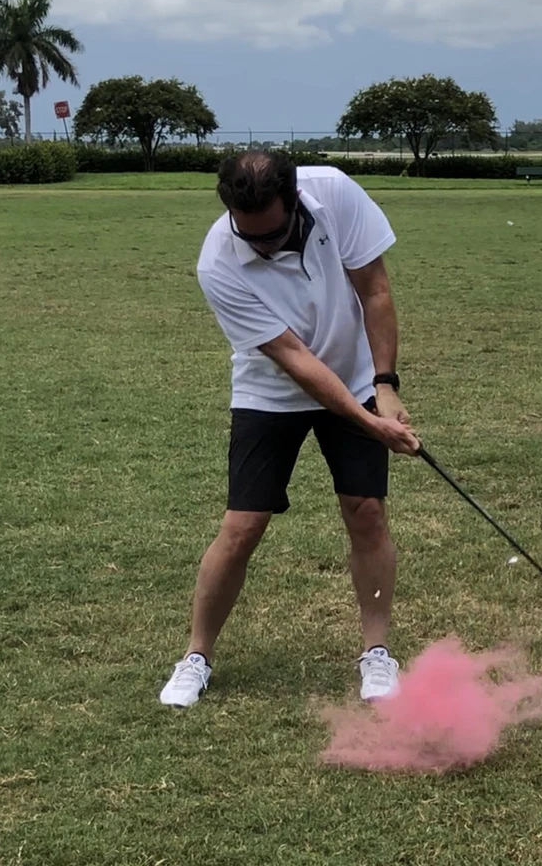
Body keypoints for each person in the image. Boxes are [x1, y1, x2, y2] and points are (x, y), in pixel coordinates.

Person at [159, 151, 419, 708]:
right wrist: (368, 421)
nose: (265, 247)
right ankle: (196, 656)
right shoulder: (217, 264)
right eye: (251, 238)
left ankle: (376, 653)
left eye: (273, 234)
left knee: (367, 511)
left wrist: (386, 387)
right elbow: (293, 358)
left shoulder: (335, 194)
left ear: (295, 200)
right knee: (242, 526)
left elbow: (374, 290)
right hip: (269, 392)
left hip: (355, 373)